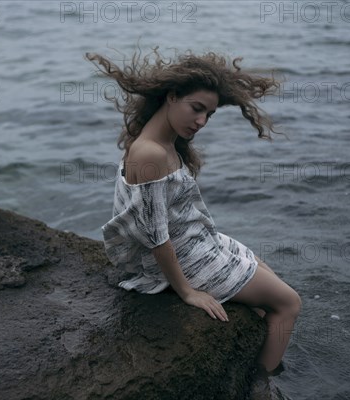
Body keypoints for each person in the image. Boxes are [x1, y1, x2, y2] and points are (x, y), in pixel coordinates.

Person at [87, 48, 301, 375]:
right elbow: (156, 236)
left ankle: (258, 362)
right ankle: (262, 382)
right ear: (172, 97)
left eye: (209, 115)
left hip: (197, 239)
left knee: (266, 281)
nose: (201, 122)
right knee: (288, 304)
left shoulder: (165, 142)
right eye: (196, 109)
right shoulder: (150, 152)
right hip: (184, 256)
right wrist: (187, 292)